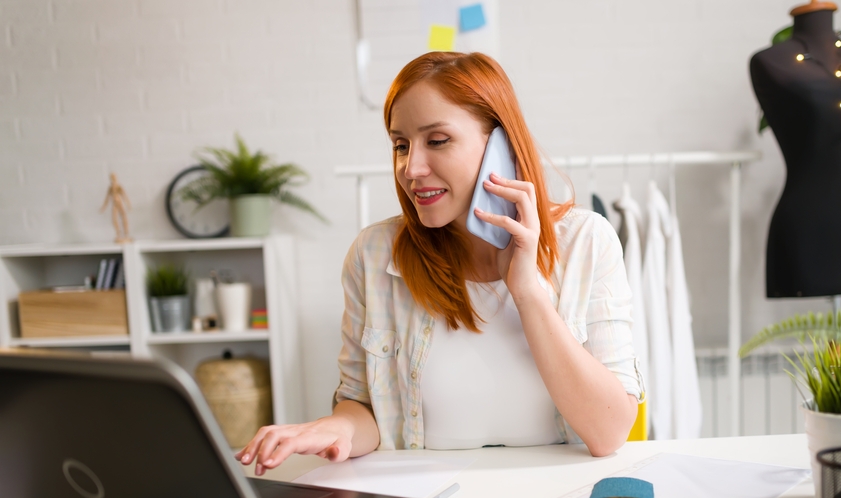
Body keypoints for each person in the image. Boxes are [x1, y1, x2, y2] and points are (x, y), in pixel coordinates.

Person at [237, 52, 641, 476]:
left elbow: (609, 432)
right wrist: (334, 428)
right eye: (400, 145)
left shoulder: (586, 241)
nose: (411, 168)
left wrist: (526, 293)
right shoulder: (374, 255)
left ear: (499, 147)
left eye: (437, 140)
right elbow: (363, 409)